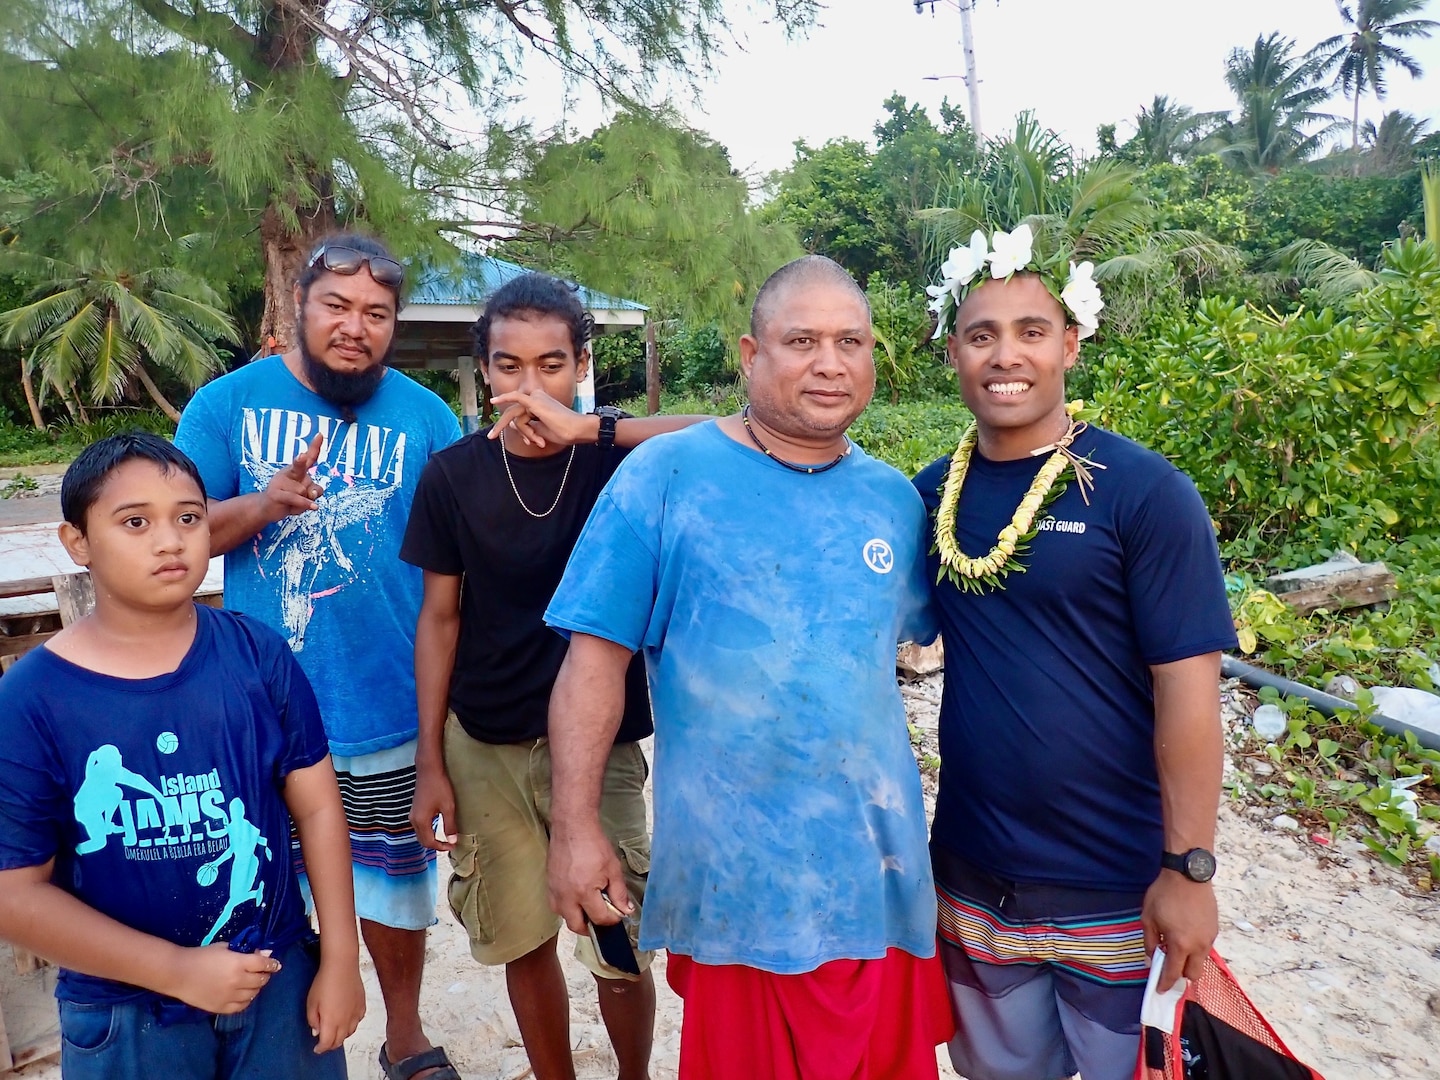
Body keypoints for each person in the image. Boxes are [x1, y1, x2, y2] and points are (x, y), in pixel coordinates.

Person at [543, 256, 954, 1080]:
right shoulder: (664, 478)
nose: (829, 362)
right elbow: (593, 664)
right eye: (801, 340)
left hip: (877, 876)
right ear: (749, 353)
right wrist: (577, 827)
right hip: (737, 884)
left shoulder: (895, 503)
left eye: (851, 341)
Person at [914, 225, 1239, 1080]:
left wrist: (1189, 869)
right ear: (954, 352)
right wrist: (604, 435)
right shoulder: (924, 496)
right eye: (981, 334)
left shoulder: (1142, 491)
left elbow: (1190, 695)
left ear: (1071, 344)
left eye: (1030, 331)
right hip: (975, 882)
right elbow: (790, 450)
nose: (1004, 355)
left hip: (1118, 890)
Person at [400, 273, 704, 1080]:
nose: (529, 387)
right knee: (521, 937)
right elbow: (440, 619)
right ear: (484, 370)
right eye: (508, 366)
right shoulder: (452, 476)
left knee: (619, 941)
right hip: (484, 742)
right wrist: (430, 760)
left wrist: (590, 431)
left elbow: (732, 429)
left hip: (600, 747)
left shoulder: (617, 465)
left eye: (552, 364)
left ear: (581, 366)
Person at [174, 233, 463, 1080]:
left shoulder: (428, 417)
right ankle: (287, 1045)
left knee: (395, 887)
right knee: (264, 888)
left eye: (377, 313)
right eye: (337, 305)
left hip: (389, 702)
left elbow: (457, 568)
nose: (355, 327)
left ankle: (404, 1037)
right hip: (262, 708)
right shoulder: (226, 407)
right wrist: (262, 505)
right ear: (298, 304)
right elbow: (179, 536)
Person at [0, 433, 365, 1080]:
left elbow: (317, 808)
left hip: (275, 976)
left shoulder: (259, 656)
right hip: (125, 1013)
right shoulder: (33, 698)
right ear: (76, 542)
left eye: (189, 517)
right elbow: (14, 893)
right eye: (135, 522)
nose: (170, 540)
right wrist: (175, 970)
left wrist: (339, 960)